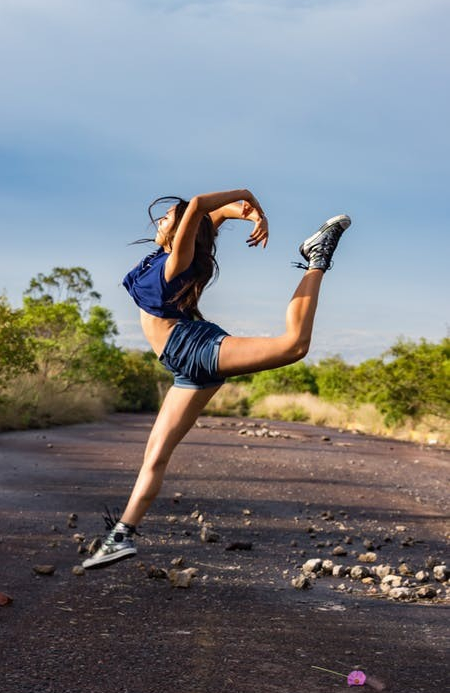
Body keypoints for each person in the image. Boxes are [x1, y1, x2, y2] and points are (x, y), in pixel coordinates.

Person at [82, 189, 351, 569]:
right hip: (182, 365)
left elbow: (199, 207)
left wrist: (247, 195)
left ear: (182, 230)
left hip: (193, 347)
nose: (159, 222)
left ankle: (317, 257)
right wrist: (252, 215)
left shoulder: (178, 260)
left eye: (167, 219)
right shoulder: (170, 255)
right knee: (155, 455)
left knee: (294, 345)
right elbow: (216, 213)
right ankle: (121, 536)